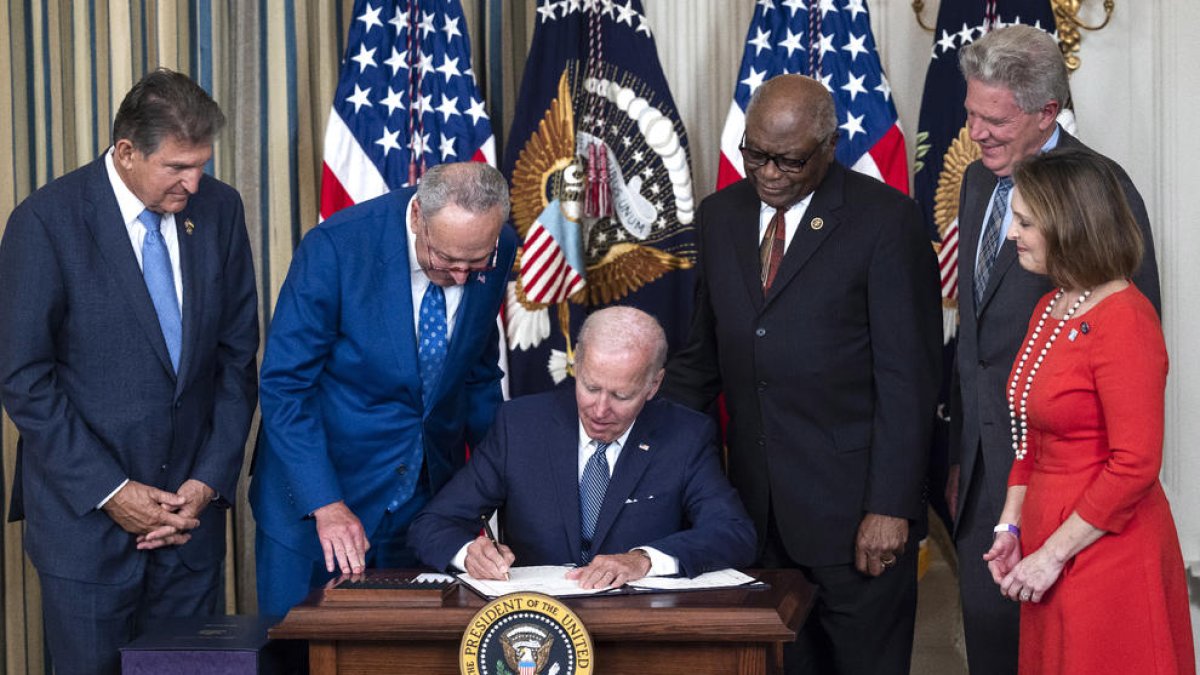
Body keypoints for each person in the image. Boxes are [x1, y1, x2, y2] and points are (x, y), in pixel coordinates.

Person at [662, 74, 941, 675]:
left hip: (856, 519)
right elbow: (701, 360)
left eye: (788, 160)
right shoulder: (720, 217)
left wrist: (890, 505)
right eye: (755, 154)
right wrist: (647, 460)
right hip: (756, 518)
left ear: (828, 146)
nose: (767, 173)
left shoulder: (885, 222)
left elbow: (909, 379)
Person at [0, 69, 259, 675]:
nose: (194, 182)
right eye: (177, 167)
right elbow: (25, 378)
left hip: (189, 522)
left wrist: (207, 480)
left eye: (200, 164)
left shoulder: (219, 209)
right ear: (125, 151)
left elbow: (236, 357)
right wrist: (113, 493)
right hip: (86, 528)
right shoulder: (46, 221)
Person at [947, 25, 1162, 675]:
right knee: (995, 646)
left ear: (1046, 112)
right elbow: (979, 341)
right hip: (997, 472)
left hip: (1082, 497)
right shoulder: (981, 180)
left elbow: (1131, 362)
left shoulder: (1101, 190)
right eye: (970, 113)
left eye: (994, 119)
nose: (976, 133)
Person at [250, 161, 517, 615]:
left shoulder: (498, 246)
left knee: (404, 654)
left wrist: (501, 487)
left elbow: (477, 375)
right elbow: (286, 385)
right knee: (300, 655)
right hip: (320, 498)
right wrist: (326, 502)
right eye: (446, 259)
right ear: (417, 218)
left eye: (476, 263)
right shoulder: (337, 247)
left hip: (422, 502)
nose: (460, 276)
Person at [984, 148, 1193, 673]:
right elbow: (1029, 441)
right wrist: (1009, 531)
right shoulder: (1052, 305)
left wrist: (1052, 554)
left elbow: (1135, 464)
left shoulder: (1125, 318)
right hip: (1044, 548)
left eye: (1026, 221)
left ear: (1069, 225)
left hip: (1106, 553)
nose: (1012, 233)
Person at [410, 307, 756, 589]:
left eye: (622, 395)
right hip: (538, 625)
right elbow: (433, 523)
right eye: (591, 387)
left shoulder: (685, 435)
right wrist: (468, 552)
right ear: (576, 366)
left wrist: (643, 560)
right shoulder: (520, 426)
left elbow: (734, 534)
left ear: (654, 385)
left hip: (641, 627)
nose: (600, 409)